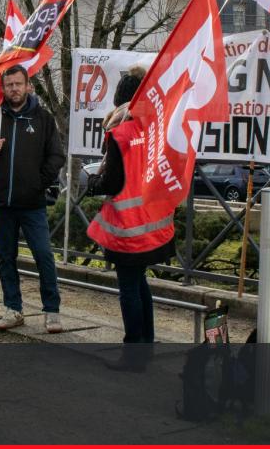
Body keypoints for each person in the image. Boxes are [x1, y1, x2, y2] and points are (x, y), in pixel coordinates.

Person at [86, 67, 171, 372]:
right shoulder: (157, 127)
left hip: (127, 227)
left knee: (129, 290)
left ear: (120, 98)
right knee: (140, 284)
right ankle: (145, 344)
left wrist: (92, 184)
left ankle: (134, 352)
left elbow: (112, 182)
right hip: (155, 224)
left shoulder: (119, 133)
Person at [0, 64, 67, 333]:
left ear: (28, 85)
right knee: (6, 257)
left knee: (43, 255)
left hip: (32, 204)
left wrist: (38, 183)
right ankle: (13, 308)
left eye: (18, 84)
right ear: (2, 88)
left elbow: (56, 156)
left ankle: (52, 311)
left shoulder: (43, 118)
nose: (14, 89)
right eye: (9, 85)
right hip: (2, 203)